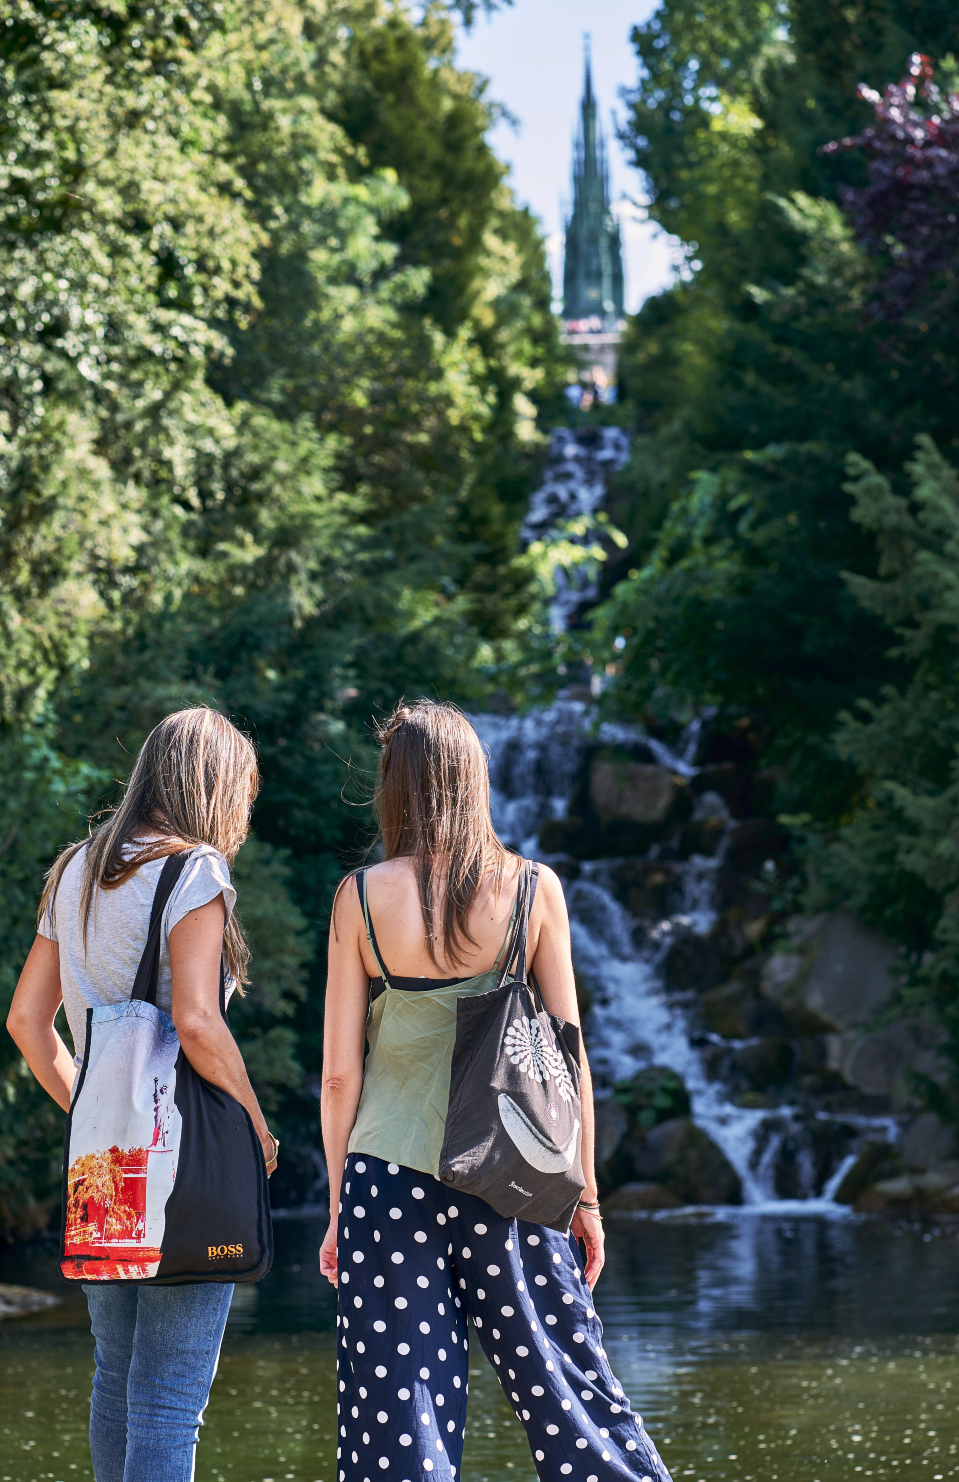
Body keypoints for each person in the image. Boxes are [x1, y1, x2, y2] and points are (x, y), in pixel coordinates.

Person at [320, 699, 671, 1482]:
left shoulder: (359, 896)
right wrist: (585, 1198)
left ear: (396, 787)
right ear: (472, 781)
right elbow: (569, 1058)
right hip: (513, 1171)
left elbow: (340, 1073)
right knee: (567, 1393)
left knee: (398, 1418)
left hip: (388, 1175)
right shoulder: (532, 888)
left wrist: (342, 1205)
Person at [6, 705, 279, 1482]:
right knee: (166, 1402)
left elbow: (28, 1022)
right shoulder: (194, 870)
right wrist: (254, 1126)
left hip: (103, 1170)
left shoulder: (76, 869)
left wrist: (102, 1119)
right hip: (187, 1165)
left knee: (116, 1384)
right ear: (217, 788)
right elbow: (197, 1021)